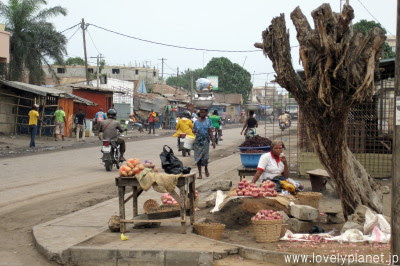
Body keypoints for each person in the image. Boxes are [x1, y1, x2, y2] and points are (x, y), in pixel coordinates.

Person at [193, 108, 216, 179]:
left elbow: (210, 132)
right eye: (201, 112)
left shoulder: (209, 121)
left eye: (203, 112)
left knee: (205, 157)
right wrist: (194, 131)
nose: (202, 114)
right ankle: (200, 173)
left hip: (206, 141)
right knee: (198, 158)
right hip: (198, 141)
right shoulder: (196, 122)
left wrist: (213, 141)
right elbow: (193, 130)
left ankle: (206, 168)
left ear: (206, 114)